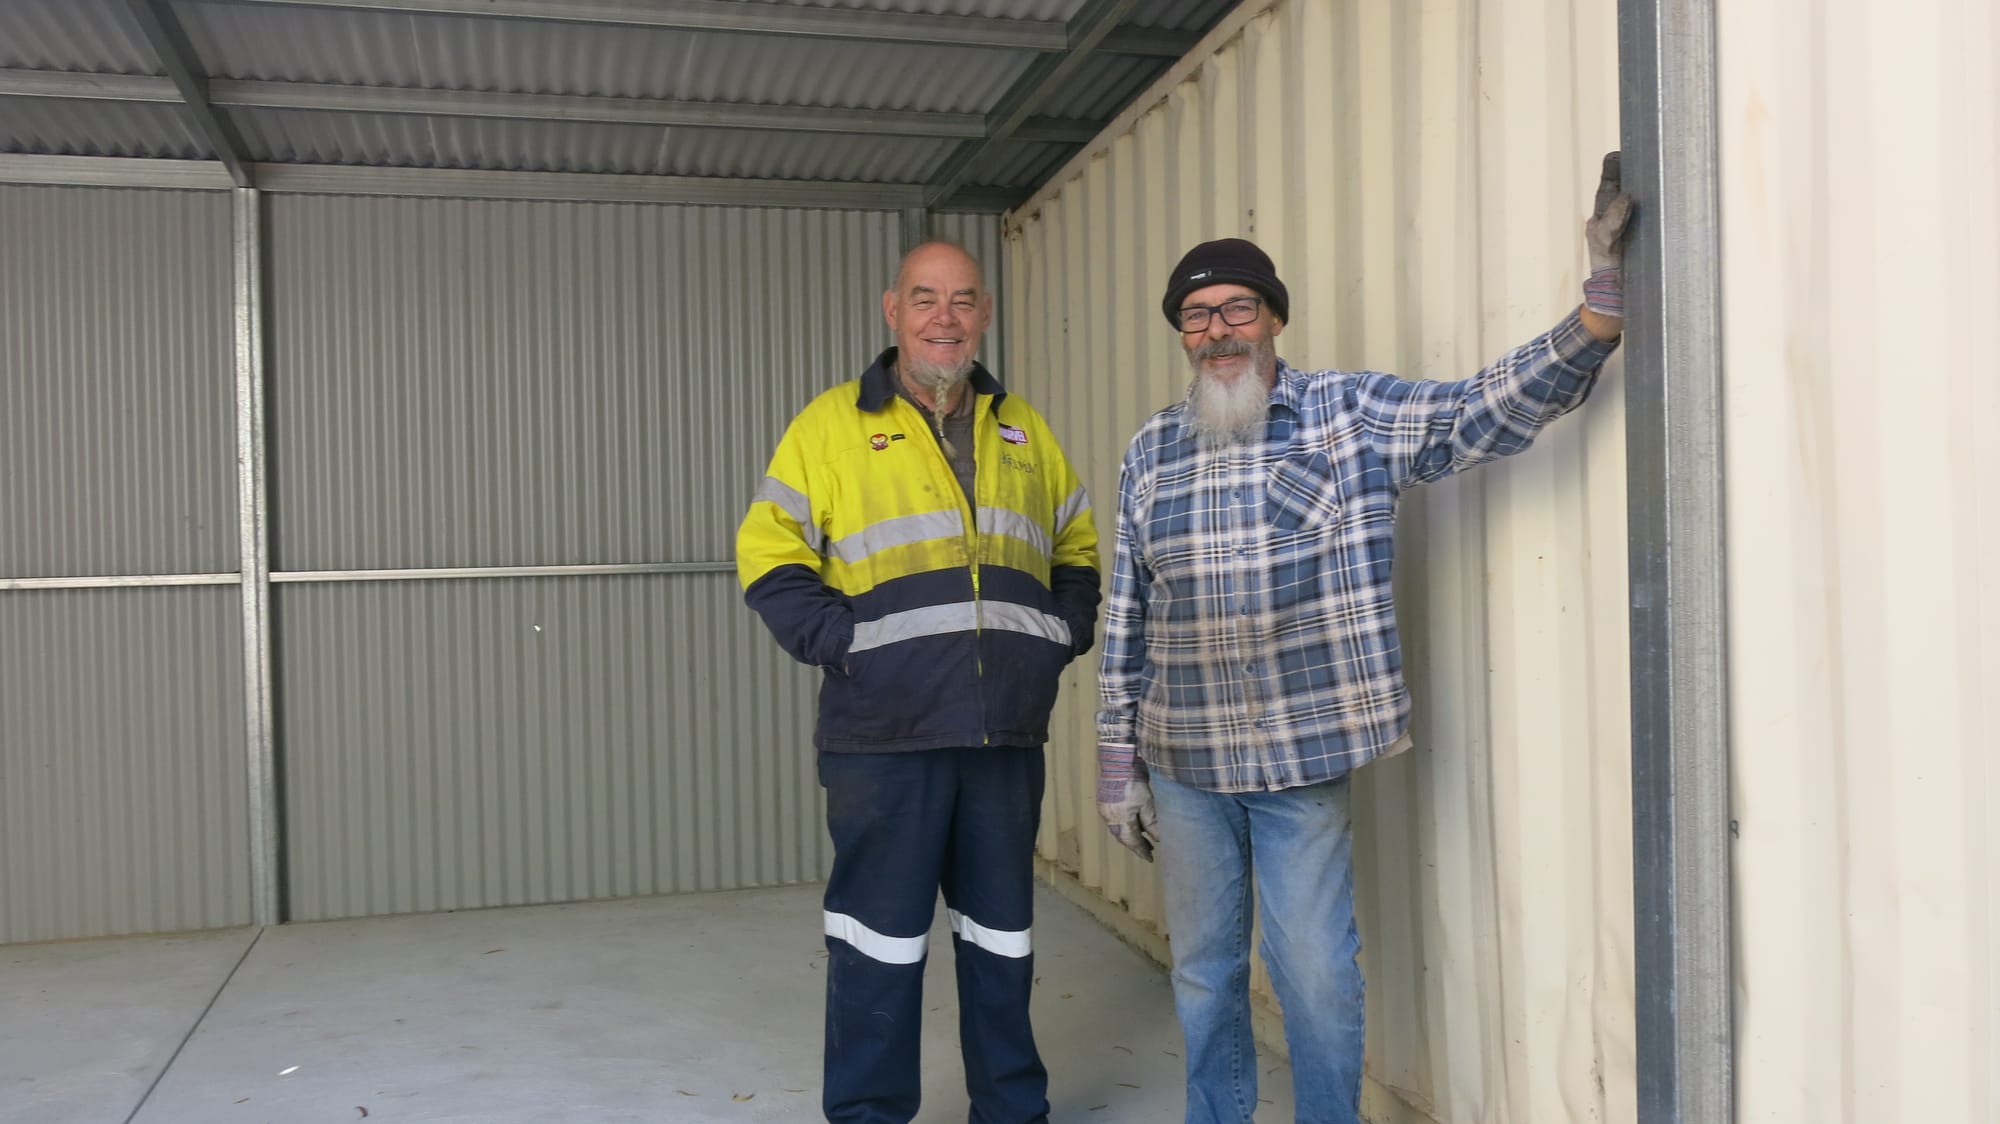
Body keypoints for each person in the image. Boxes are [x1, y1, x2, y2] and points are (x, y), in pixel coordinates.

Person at [1093, 155, 1635, 1123]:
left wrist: (1594, 312)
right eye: (1197, 314)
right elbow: (1126, 607)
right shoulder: (1149, 448)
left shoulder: (1347, 415)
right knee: (1204, 975)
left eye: (1237, 309)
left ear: (1273, 319)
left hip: (1299, 755)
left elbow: (1477, 411)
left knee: (1312, 978)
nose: (1217, 330)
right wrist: (1112, 754)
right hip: (1181, 761)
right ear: (1181, 333)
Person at [736, 240, 1101, 1124]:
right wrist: (848, 646)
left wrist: (1056, 636)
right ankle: (868, 1113)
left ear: (983, 315)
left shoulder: (1023, 429)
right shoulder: (830, 426)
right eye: (926, 299)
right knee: (878, 945)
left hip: (1002, 737)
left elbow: (1077, 550)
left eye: (964, 300)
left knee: (1000, 943)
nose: (947, 317)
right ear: (891, 310)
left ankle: (1012, 1111)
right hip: (884, 740)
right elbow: (768, 554)